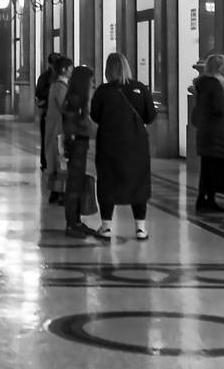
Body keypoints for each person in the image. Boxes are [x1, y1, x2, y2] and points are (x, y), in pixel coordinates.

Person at [89, 51, 156, 241]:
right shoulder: (140, 88)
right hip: (136, 143)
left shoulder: (103, 91)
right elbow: (150, 115)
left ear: (108, 70)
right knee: (139, 182)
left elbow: (95, 115)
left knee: (107, 181)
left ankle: (106, 227)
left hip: (109, 143)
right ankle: (140, 228)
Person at [192, 53, 224, 214]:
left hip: (207, 131)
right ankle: (208, 200)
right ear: (219, 67)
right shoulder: (215, 84)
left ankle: (203, 198)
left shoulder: (204, 83)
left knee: (207, 167)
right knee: (213, 167)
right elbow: (219, 107)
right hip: (215, 133)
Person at [62, 64, 98, 237]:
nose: (93, 84)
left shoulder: (80, 99)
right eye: (91, 81)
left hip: (80, 143)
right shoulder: (75, 100)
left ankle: (76, 221)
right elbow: (71, 125)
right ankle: (71, 224)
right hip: (76, 144)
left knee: (78, 183)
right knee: (74, 185)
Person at [44, 55, 72, 206]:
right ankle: (61, 192)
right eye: (70, 68)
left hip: (53, 128)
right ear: (64, 69)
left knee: (55, 160)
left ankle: (55, 191)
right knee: (61, 160)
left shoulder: (55, 85)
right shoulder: (61, 87)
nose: (72, 71)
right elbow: (64, 108)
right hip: (59, 129)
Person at [34, 52, 59, 172]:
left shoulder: (59, 77)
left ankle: (54, 162)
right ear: (49, 64)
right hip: (47, 112)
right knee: (46, 137)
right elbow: (39, 93)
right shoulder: (44, 77)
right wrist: (52, 91)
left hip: (57, 113)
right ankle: (45, 162)